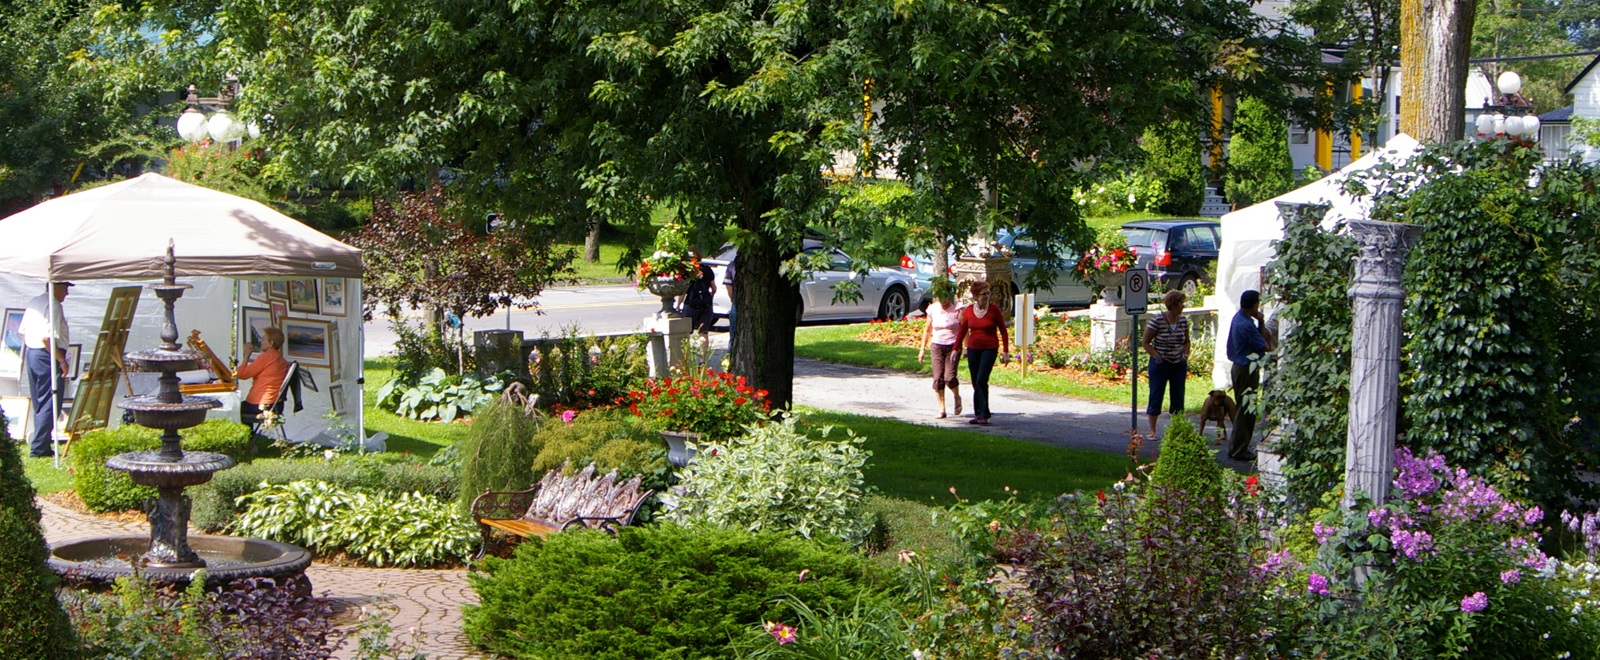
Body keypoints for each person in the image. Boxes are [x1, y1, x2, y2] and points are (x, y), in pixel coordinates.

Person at [19, 282, 72, 457]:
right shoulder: (54, 305)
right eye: (65, 288)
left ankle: (41, 443)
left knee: (40, 402)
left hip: (33, 353)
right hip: (46, 355)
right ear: (55, 287)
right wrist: (61, 361)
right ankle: (39, 447)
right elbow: (47, 339)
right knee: (50, 401)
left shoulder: (36, 301)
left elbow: (23, 331)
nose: (67, 293)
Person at [1226, 289, 1276, 461]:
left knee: (1244, 406)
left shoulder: (1238, 318)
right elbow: (1265, 345)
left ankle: (1237, 446)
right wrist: (1261, 323)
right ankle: (1239, 448)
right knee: (1246, 409)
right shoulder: (1247, 325)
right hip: (1247, 368)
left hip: (1238, 365)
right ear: (1254, 305)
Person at [953, 281, 1009, 425]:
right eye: (984, 294)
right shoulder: (970, 311)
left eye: (988, 293)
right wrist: (956, 349)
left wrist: (1006, 351)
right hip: (973, 348)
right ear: (976, 296)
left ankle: (984, 413)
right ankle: (978, 413)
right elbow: (963, 330)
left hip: (989, 348)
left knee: (981, 379)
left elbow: (1003, 331)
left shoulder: (994, 310)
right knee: (975, 381)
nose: (987, 296)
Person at [1141, 290, 1191, 439]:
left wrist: (1186, 354)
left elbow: (1186, 341)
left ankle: (1176, 430)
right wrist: (1156, 356)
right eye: (1181, 303)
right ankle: (1152, 430)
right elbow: (1145, 342)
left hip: (1178, 363)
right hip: (1160, 364)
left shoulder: (1183, 321)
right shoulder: (1157, 321)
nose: (1183, 306)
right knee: (1156, 394)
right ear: (1174, 305)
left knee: (1178, 395)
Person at [917, 292, 964, 419]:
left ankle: (956, 396)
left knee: (949, 377)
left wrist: (965, 347)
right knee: (938, 378)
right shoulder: (933, 309)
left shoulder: (958, 307)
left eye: (946, 297)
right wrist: (922, 349)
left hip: (953, 346)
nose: (944, 301)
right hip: (937, 346)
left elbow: (964, 328)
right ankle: (942, 408)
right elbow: (927, 330)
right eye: (941, 298)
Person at [235, 326, 290, 425]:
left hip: (261, 403)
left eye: (263, 339)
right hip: (276, 404)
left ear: (271, 343)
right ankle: (250, 437)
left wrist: (246, 356)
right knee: (241, 408)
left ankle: (248, 438)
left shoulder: (266, 357)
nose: (261, 341)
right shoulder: (281, 360)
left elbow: (242, 374)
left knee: (234, 410)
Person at [680, 249, 717, 336]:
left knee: (686, 332)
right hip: (706, 305)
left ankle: (686, 350)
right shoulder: (707, 269)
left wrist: (678, 304)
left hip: (691, 304)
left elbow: (683, 291)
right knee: (703, 333)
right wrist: (710, 297)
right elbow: (714, 288)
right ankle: (704, 350)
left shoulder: (688, 271)